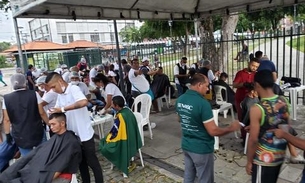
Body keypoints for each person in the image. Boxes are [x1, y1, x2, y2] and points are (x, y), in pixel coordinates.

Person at [176, 73, 241, 183]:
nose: (207, 89)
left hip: (187, 145)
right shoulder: (203, 103)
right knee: (205, 179)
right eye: (206, 86)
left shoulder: (180, 99)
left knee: (188, 177)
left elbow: (179, 119)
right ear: (199, 85)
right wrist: (230, 128)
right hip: (201, 148)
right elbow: (213, 131)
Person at [45, 72, 104, 183]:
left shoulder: (73, 89)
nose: (53, 90)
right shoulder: (60, 95)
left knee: (92, 162)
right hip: (73, 136)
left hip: (84, 134)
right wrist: (52, 113)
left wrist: (63, 109)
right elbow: (58, 109)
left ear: (60, 81)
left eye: (53, 86)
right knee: (81, 164)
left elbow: (83, 102)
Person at [0, 113, 82, 183]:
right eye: (50, 125)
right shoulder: (56, 138)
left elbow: (60, 166)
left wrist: (44, 179)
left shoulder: (70, 142)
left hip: (57, 175)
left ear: (63, 123)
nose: (51, 127)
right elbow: (38, 154)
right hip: (42, 170)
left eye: (54, 124)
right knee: (12, 174)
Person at [246, 70, 291, 183]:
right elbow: (285, 127)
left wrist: (249, 161)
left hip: (263, 159)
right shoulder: (284, 100)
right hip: (279, 155)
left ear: (257, 85)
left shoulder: (257, 108)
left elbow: (253, 140)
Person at [2, 73, 49, 156]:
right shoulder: (34, 94)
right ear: (25, 82)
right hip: (37, 130)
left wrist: (7, 134)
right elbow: (42, 113)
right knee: (44, 155)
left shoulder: (6, 98)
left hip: (20, 133)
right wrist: (50, 124)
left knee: (27, 160)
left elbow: (6, 119)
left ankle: (31, 168)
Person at [99, 96, 142, 176]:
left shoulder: (121, 117)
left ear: (117, 106)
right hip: (133, 138)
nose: (111, 106)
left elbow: (115, 132)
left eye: (112, 105)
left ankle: (118, 160)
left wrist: (108, 138)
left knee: (104, 145)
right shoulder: (128, 111)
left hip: (124, 141)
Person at [233, 58, 260, 122]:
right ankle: (243, 132)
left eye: (256, 67)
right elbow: (234, 85)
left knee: (253, 119)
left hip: (252, 99)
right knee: (242, 119)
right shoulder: (240, 73)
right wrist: (243, 84)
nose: (254, 68)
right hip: (240, 99)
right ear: (248, 63)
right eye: (253, 65)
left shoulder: (256, 75)